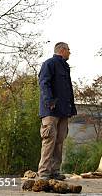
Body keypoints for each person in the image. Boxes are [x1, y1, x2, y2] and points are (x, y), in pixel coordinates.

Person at [37, 42, 77, 180]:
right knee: (49, 141)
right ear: (62, 50)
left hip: (63, 111)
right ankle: (43, 173)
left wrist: (71, 109)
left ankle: (54, 171)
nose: (70, 52)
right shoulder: (49, 64)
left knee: (59, 141)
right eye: (68, 50)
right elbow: (44, 83)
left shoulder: (65, 67)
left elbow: (67, 90)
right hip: (51, 111)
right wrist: (49, 101)